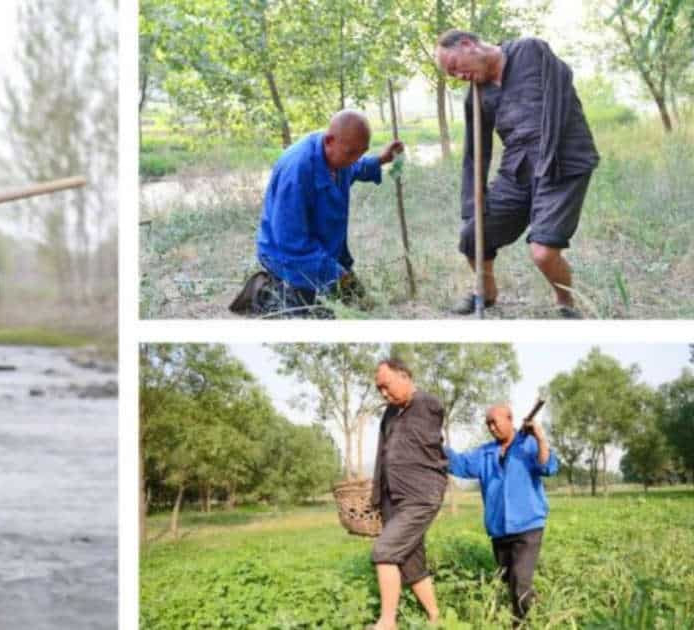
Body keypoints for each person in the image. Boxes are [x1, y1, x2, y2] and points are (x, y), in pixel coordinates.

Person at [435, 30, 599, 318]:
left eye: (455, 67)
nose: (458, 76)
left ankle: (565, 303)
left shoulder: (530, 51)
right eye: (452, 75)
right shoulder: (476, 95)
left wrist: (546, 154)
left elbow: (563, 82)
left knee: (543, 251)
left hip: (563, 160)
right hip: (518, 168)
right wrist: (472, 204)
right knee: (473, 234)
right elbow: (477, 153)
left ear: (467, 44)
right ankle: (485, 292)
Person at [230, 110, 403, 319]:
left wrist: (381, 159)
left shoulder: (341, 156)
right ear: (329, 141)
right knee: (317, 316)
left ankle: (324, 283)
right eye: (351, 153)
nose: (354, 159)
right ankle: (264, 292)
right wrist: (334, 273)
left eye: (361, 152)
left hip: (324, 249)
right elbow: (291, 243)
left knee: (357, 304)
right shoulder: (296, 171)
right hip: (286, 254)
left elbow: (356, 167)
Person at [445, 404, 558, 625]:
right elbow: (460, 464)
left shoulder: (528, 444)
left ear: (510, 419)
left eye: (495, 422)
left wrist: (540, 438)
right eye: (488, 423)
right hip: (499, 528)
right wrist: (436, 445)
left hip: (528, 526)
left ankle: (522, 624)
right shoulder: (485, 453)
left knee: (520, 581)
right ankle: (537, 611)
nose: (491, 427)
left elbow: (548, 467)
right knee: (509, 580)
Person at [369, 358, 447, 629]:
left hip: (420, 496)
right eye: (379, 389)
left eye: (386, 386)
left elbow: (424, 441)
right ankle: (436, 616)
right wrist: (377, 498)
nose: (383, 393)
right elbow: (383, 455)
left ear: (404, 376)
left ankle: (388, 622)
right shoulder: (389, 414)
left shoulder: (428, 405)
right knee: (411, 562)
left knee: (385, 549)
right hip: (394, 497)